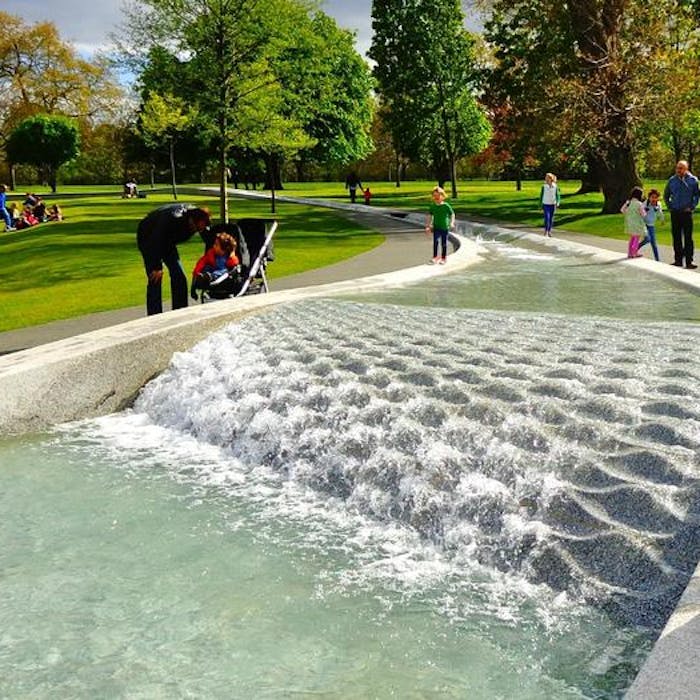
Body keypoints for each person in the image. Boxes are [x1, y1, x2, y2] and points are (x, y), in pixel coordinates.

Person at [136, 203, 211, 315]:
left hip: (167, 241)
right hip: (149, 237)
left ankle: (180, 311)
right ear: (192, 221)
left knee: (179, 275)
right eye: (198, 228)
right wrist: (156, 266)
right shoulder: (174, 218)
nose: (199, 231)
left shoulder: (199, 219)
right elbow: (157, 237)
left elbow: (209, 240)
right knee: (155, 277)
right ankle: (154, 315)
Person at [664, 160, 699, 269]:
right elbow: (666, 195)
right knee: (676, 237)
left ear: (686, 169)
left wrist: (692, 206)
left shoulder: (693, 180)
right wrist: (670, 207)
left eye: (681, 168)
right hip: (675, 212)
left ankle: (689, 261)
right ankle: (678, 260)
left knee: (688, 238)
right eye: (677, 168)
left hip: (687, 213)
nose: (678, 170)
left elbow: (697, 196)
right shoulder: (672, 180)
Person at [190, 232, 239, 299]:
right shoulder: (211, 254)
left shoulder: (229, 257)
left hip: (223, 276)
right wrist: (196, 272)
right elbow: (201, 262)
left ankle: (210, 277)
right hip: (212, 270)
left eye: (216, 245)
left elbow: (234, 263)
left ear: (224, 248)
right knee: (207, 267)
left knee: (223, 271)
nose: (213, 246)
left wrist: (232, 254)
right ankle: (203, 277)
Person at [425, 185, 455, 265]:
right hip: (436, 227)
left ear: (442, 196)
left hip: (444, 227)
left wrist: (451, 223)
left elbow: (452, 214)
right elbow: (429, 215)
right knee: (436, 242)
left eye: (438, 196)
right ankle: (435, 257)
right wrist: (428, 226)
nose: (436, 197)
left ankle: (443, 258)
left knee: (444, 243)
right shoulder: (433, 206)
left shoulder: (446, 206)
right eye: (435, 196)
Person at [638, 188, 664, 261]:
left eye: (656, 197)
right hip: (644, 224)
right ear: (649, 197)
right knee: (647, 239)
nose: (654, 199)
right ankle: (636, 248)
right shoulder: (645, 203)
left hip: (651, 225)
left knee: (653, 243)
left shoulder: (658, 204)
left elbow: (660, 213)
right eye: (652, 197)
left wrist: (662, 220)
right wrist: (645, 211)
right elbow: (640, 212)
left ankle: (657, 259)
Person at [621, 186, 647, 258]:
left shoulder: (628, 202)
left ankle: (630, 253)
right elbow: (643, 214)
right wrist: (645, 212)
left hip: (629, 223)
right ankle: (634, 252)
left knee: (632, 238)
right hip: (637, 223)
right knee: (636, 238)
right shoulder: (639, 204)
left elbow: (622, 210)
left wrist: (629, 213)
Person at [540, 173, 561, 237]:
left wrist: (558, 202)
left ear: (550, 178)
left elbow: (558, 195)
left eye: (547, 177)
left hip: (552, 204)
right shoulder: (544, 186)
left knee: (551, 218)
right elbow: (541, 195)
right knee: (547, 217)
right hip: (545, 204)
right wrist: (540, 204)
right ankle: (546, 231)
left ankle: (549, 231)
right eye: (545, 177)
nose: (546, 178)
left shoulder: (555, 186)